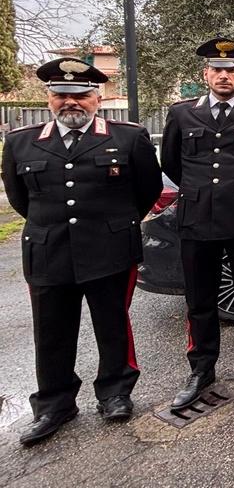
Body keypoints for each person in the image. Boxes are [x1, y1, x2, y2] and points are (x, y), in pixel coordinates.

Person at [1, 58, 162, 445]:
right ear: (49, 98)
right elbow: (20, 198)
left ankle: (115, 392)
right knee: (51, 330)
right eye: (61, 95)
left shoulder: (128, 137)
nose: (71, 103)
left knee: (112, 325)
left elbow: (148, 190)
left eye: (81, 96)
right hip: (48, 250)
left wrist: (118, 222)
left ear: (98, 97)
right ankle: (55, 403)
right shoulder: (22, 141)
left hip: (109, 247)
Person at [161, 37, 234, 408]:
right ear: (205, 74)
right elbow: (171, 163)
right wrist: (203, 193)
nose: (224, 75)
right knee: (199, 300)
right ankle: (201, 369)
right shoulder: (182, 114)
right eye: (217, 70)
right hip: (197, 219)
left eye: (231, 70)